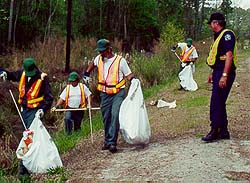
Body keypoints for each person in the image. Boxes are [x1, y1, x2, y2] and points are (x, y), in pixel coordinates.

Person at [0, 58, 54, 180]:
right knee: (28, 138)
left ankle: (23, 172)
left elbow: (49, 97)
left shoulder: (42, 78)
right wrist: (4, 73)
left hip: (35, 112)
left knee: (28, 138)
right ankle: (33, 165)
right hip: (24, 111)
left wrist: (43, 110)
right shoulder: (23, 73)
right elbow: (12, 75)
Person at [83, 39, 135, 153]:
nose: (100, 53)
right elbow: (93, 63)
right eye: (99, 51)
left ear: (109, 49)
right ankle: (107, 141)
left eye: (102, 51)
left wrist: (134, 81)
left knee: (115, 115)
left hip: (118, 93)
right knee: (106, 117)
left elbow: (129, 74)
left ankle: (112, 143)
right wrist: (87, 73)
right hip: (104, 93)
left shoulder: (120, 61)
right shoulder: (99, 59)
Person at [202, 12, 237, 142]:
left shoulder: (227, 35)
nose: (211, 26)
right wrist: (212, 72)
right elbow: (217, 56)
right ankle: (223, 131)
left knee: (216, 102)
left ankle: (215, 130)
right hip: (218, 71)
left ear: (216, 23)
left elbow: (229, 56)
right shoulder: (218, 36)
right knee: (219, 101)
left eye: (211, 23)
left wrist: (224, 75)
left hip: (224, 72)